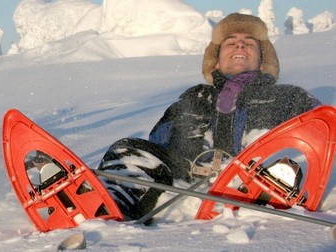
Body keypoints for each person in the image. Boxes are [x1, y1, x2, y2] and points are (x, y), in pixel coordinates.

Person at [96, 13, 321, 223]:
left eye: (250, 43)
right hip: (185, 187)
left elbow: (325, 136)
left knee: (286, 165)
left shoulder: (290, 97)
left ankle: (267, 206)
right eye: (230, 42)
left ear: (263, 62)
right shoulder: (192, 99)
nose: (240, 45)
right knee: (128, 150)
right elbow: (155, 146)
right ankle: (108, 213)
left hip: (253, 183)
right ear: (215, 61)